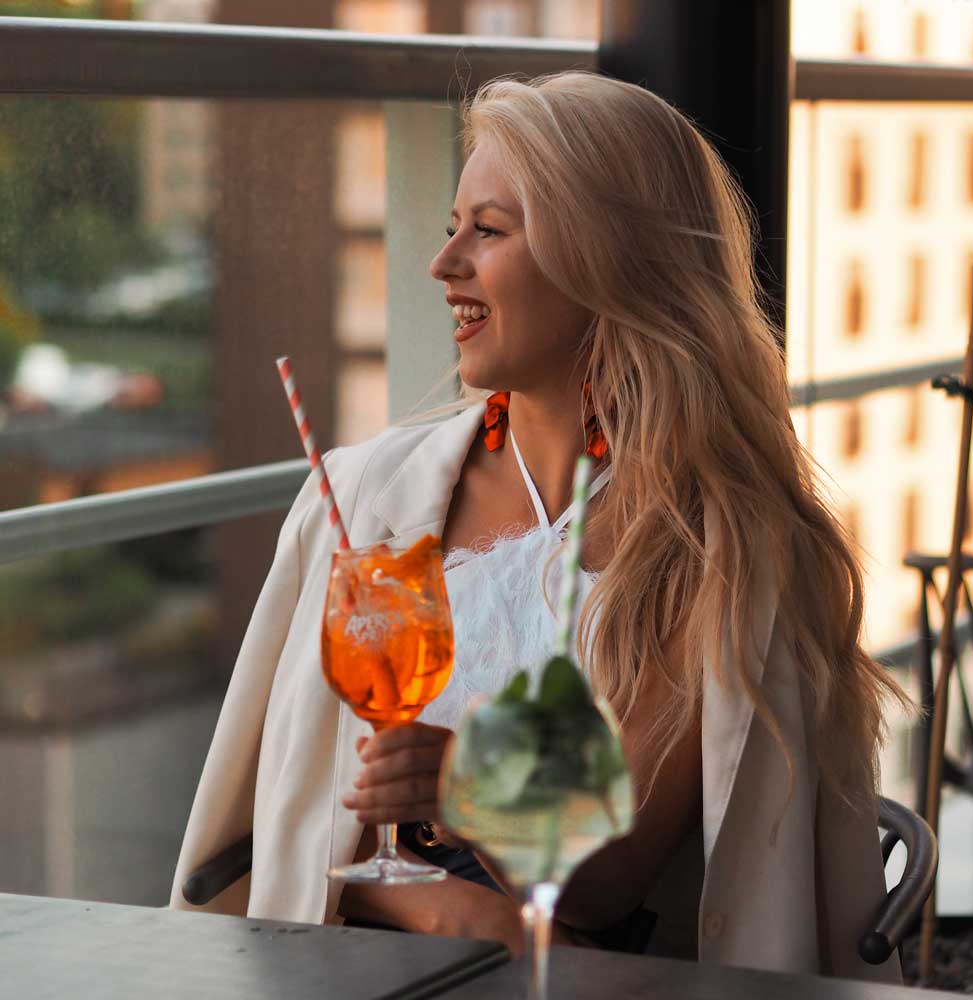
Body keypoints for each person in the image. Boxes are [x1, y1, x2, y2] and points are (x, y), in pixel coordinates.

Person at [170, 70, 908, 983]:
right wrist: (452, 906)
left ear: (609, 256)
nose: (444, 266)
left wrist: (456, 786)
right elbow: (281, 830)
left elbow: (604, 875)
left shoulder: (710, 537)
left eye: (489, 230)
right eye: (450, 227)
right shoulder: (360, 501)